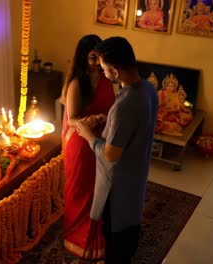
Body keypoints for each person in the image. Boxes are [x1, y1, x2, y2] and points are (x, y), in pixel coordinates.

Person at [75, 36, 158, 263]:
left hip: (119, 184)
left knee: (116, 237)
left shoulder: (125, 104)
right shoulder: (149, 89)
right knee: (128, 232)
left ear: (115, 71)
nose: (102, 72)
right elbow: (134, 132)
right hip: (136, 172)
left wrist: (88, 134)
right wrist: (108, 126)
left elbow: (111, 154)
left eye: (103, 68)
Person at [61, 34, 115, 261]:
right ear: (83, 57)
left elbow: (112, 107)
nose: (97, 63)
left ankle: (96, 228)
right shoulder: (76, 83)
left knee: (99, 187)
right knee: (81, 189)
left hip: (101, 140)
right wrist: (91, 120)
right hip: (82, 143)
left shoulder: (106, 79)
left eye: (100, 58)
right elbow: (72, 118)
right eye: (93, 58)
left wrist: (105, 120)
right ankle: (77, 234)